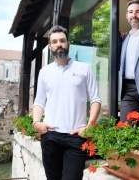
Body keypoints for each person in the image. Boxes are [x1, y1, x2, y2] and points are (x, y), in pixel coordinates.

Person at [32, 25, 102, 180]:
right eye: (55, 42)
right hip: (50, 136)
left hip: (76, 137)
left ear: (68, 43)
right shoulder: (45, 72)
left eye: (62, 41)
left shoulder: (85, 69)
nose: (59, 44)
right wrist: (36, 122)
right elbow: (39, 101)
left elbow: (96, 100)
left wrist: (89, 126)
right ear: (50, 46)